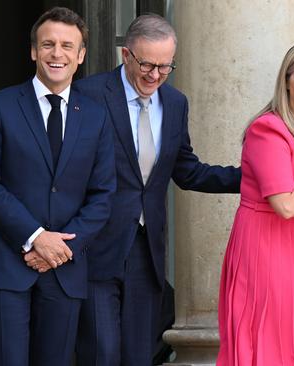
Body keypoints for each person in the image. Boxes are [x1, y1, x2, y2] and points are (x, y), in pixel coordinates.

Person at [72, 14, 241, 365]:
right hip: (95, 247)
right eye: (147, 64)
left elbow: (187, 171)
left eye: (166, 67)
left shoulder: (175, 103)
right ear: (126, 55)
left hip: (146, 255)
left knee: (138, 356)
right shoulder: (89, 95)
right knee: (100, 354)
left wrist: (251, 178)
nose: (155, 75)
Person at [0, 7, 115, 366]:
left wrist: (59, 249)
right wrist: (36, 237)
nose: (56, 54)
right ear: (33, 51)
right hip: (5, 264)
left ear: (80, 56)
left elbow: (103, 194)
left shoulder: (96, 116)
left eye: (67, 45)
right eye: (48, 44)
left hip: (64, 269)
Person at [217, 42, 294, 366]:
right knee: (270, 343)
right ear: (287, 82)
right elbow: (285, 204)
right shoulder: (267, 129)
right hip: (266, 248)